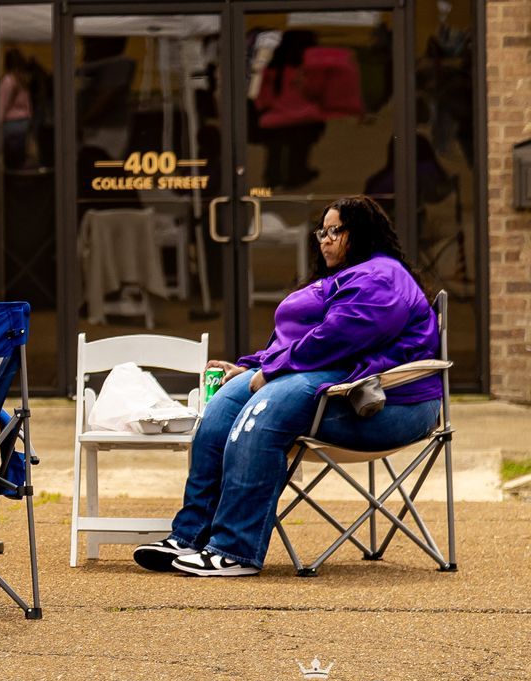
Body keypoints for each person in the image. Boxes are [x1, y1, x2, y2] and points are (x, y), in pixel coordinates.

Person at [136, 196, 442, 579]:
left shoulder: (381, 276)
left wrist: (273, 370)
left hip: (391, 402)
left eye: (336, 231)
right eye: (322, 232)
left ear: (361, 234)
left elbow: (338, 338)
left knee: (262, 413)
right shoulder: (340, 277)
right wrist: (252, 366)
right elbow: (296, 341)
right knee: (222, 408)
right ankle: (190, 536)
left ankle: (234, 549)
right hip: (334, 385)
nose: (325, 240)